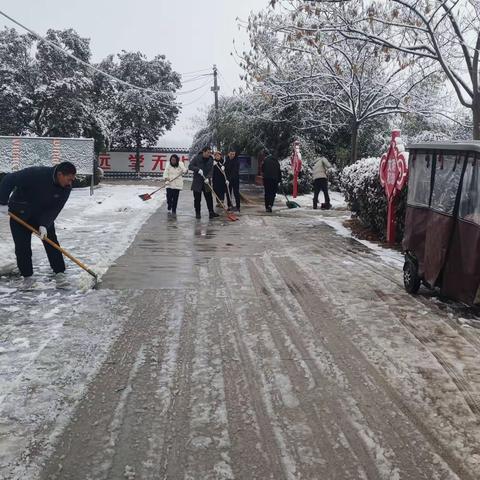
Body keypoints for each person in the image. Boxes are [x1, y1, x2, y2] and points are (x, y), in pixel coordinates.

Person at [0, 161, 77, 288]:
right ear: (60, 174)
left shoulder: (66, 188)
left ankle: (59, 273)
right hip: (19, 213)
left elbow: (55, 208)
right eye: (68, 179)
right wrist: (2, 201)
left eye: (72, 180)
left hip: (41, 216)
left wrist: (44, 224)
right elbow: (9, 179)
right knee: (22, 247)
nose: (70, 183)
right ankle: (27, 277)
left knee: (52, 243)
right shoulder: (36, 174)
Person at [188, 146, 219, 220]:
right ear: (203, 152)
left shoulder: (211, 159)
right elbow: (190, 166)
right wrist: (197, 169)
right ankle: (198, 213)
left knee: (209, 198)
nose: (209, 154)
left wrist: (208, 177)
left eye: (210, 152)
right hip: (197, 182)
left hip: (206, 182)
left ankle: (211, 212)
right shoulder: (196, 158)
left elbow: (211, 170)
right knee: (197, 199)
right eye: (208, 152)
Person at [225, 147, 240, 211]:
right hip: (228, 179)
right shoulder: (227, 159)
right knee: (228, 192)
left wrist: (229, 179)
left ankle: (238, 206)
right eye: (231, 154)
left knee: (236, 192)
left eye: (233, 154)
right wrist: (223, 167)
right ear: (228, 154)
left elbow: (234, 171)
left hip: (235, 179)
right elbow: (226, 168)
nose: (232, 155)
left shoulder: (237, 161)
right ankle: (229, 205)